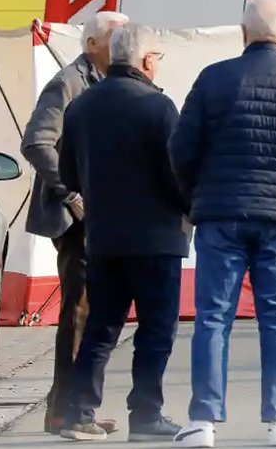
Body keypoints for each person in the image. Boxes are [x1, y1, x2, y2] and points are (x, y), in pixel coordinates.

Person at [169, 0, 276, 448]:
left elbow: (181, 149)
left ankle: (202, 423)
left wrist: (197, 199)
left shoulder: (212, 80)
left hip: (220, 216)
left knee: (212, 318)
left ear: (243, 32)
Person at [56, 23, 188, 442]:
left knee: (101, 328)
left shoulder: (81, 106)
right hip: (157, 240)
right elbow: (177, 174)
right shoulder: (159, 108)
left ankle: (80, 413)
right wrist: (191, 209)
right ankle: (145, 415)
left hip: (105, 237)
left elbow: (67, 173)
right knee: (155, 330)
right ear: (147, 60)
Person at [21, 10, 127, 435]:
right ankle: (64, 410)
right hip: (75, 220)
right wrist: (70, 192)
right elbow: (36, 141)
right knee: (79, 311)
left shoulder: (103, 83)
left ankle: (77, 406)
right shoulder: (69, 81)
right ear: (93, 45)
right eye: (116, 39)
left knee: (92, 310)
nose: (124, 49)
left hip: (99, 218)